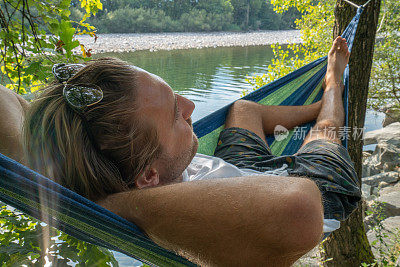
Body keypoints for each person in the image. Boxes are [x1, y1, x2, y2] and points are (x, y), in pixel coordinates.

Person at [0, 36, 361, 266]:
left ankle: (313, 107)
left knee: (244, 109)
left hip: (232, 173)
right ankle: (330, 88)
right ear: (148, 177)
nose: (190, 105)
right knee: (327, 132)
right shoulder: (161, 228)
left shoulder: (122, 169)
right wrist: (105, 205)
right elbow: (300, 205)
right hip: (304, 189)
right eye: (175, 114)